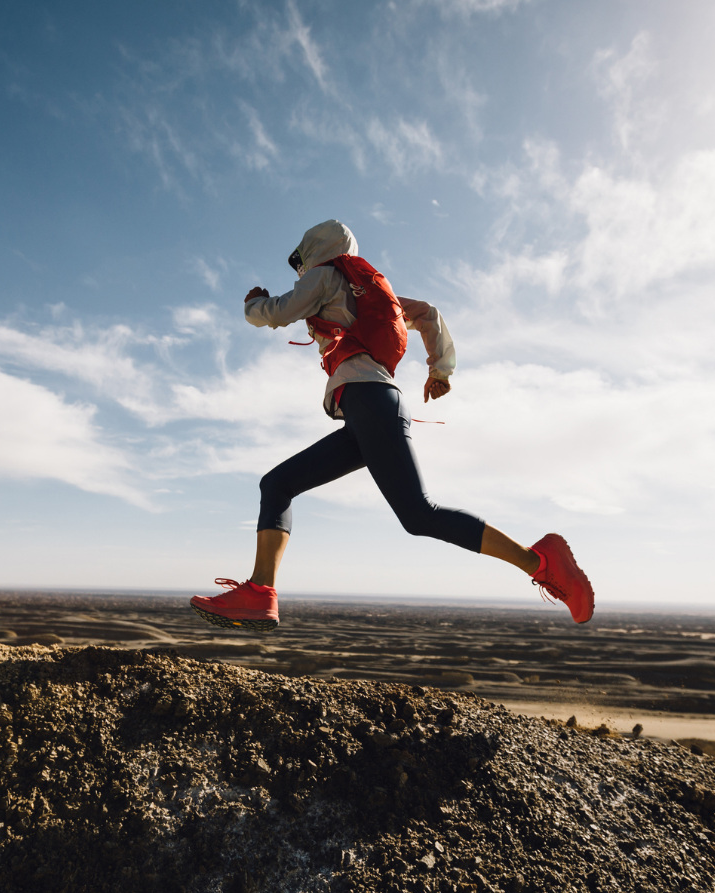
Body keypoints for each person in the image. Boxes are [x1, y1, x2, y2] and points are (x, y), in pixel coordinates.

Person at [190, 219, 593, 632]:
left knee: (419, 515)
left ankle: (539, 561)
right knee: (276, 485)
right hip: (370, 408)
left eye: (301, 260)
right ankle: (261, 594)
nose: (300, 270)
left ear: (314, 251)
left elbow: (275, 314)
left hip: (370, 403)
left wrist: (253, 304)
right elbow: (429, 314)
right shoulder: (370, 293)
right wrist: (440, 368)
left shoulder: (325, 277)